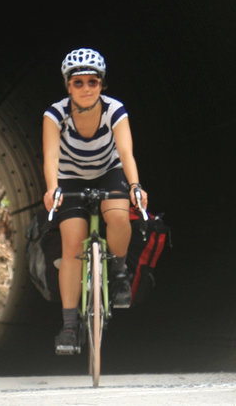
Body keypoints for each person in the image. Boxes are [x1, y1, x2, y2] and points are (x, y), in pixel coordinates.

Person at [42, 47, 148, 354]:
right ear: (68, 86)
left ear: (102, 85)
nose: (86, 88)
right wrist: (52, 189)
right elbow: (50, 155)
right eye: (79, 83)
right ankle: (69, 327)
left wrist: (136, 186)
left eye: (93, 82)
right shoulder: (55, 114)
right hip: (70, 177)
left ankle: (118, 271)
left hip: (109, 172)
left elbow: (126, 153)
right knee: (73, 244)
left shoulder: (115, 110)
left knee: (117, 215)